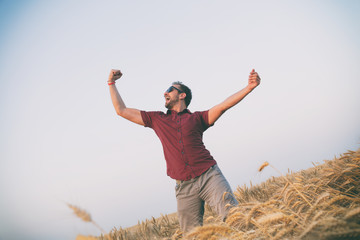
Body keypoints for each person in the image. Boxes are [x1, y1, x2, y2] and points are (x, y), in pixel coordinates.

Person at [107, 68, 261, 233]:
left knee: (235, 219)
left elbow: (223, 106)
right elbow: (121, 110)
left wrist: (249, 88)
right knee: (192, 235)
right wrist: (111, 83)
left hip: (209, 177)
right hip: (184, 187)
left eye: (169, 90)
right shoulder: (157, 119)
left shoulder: (197, 118)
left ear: (182, 95)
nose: (164, 93)